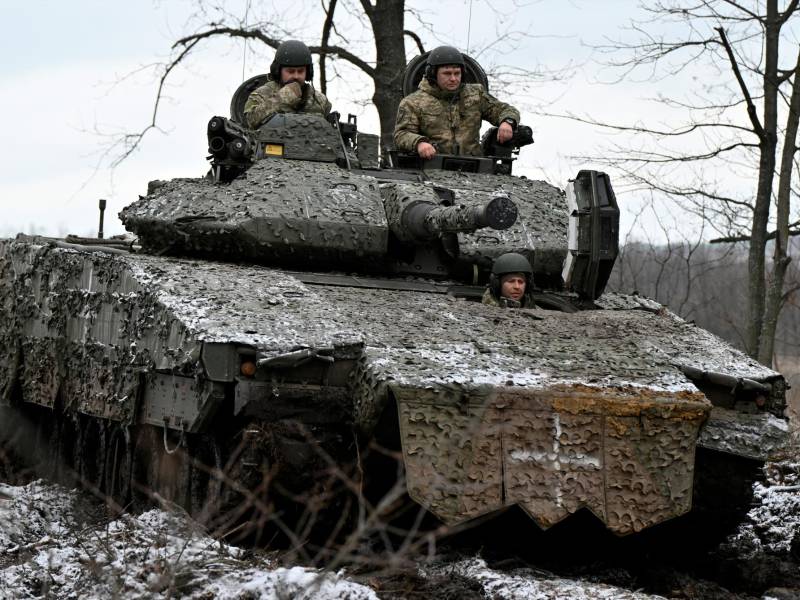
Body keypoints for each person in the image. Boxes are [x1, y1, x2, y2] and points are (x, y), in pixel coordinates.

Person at [394, 45, 520, 159]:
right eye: (447, 74)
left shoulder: (475, 95)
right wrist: (419, 143)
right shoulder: (413, 102)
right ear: (432, 74)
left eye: (457, 73)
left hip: (474, 167)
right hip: (431, 165)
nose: (453, 79)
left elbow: (504, 110)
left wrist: (507, 122)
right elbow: (401, 134)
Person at [243, 40, 332, 129]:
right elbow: (248, 122)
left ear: (308, 72)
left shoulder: (320, 100)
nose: (296, 76)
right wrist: (281, 98)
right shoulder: (262, 94)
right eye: (290, 71)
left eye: (301, 71)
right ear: (278, 71)